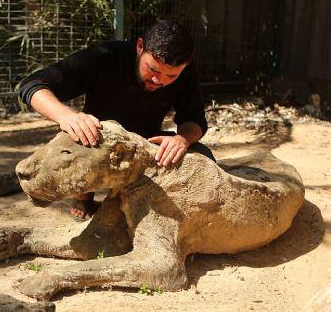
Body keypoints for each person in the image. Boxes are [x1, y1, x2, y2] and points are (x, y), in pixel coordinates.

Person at [19, 19, 214, 220]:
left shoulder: (185, 72)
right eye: (153, 70)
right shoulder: (106, 56)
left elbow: (195, 120)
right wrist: (66, 116)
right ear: (140, 47)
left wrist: (181, 140)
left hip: (145, 146)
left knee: (202, 153)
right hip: (98, 142)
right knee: (76, 136)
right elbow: (32, 84)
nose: (160, 80)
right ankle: (83, 197)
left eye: (171, 76)